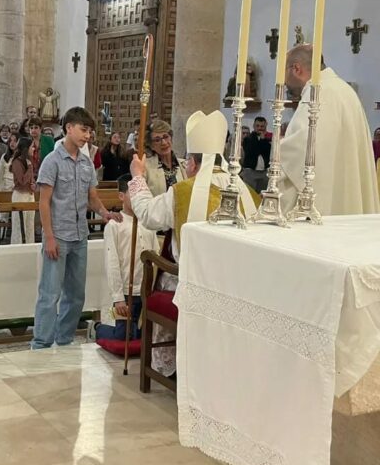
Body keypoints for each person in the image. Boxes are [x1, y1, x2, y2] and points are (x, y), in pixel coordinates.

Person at [128, 110, 258, 376]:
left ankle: (174, 367)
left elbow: (148, 214)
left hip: (189, 282)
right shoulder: (247, 193)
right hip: (236, 286)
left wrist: (137, 176)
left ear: (194, 164)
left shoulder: (184, 191)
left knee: (162, 277)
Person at [32, 107, 123, 349]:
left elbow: (91, 196)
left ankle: (64, 341)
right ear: (69, 128)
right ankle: (40, 344)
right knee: (50, 294)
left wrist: (105, 213)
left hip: (79, 235)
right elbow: (44, 202)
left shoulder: (86, 163)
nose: (87, 136)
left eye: (90, 132)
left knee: (76, 295)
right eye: (83, 130)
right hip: (58, 236)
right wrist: (48, 237)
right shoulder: (52, 161)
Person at [280, 45, 380, 215]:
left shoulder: (316, 94)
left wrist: (280, 146)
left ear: (296, 68)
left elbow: (301, 152)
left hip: (320, 209)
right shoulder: (344, 90)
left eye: (283, 74)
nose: (284, 83)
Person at [90, 174, 159, 342]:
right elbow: (112, 262)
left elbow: (155, 253)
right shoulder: (115, 225)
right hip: (127, 293)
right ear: (121, 196)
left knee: (143, 336)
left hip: (145, 289)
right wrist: (118, 298)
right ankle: (97, 328)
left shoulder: (147, 223)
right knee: (125, 337)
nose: (137, 198)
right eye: (132, 193)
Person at [143, 119, 187, 196]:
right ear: (151, 146)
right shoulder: (145, 167)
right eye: (157, 140)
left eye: (166, 137)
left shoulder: (185, 165)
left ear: (171, 138)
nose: (164, 142)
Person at [9, 137, 36, 244]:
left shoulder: (28, 161)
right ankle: (18, 249)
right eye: (31, 146)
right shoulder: (17, 162)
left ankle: (30, 247)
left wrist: (34, 185)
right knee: (19, 226)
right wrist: (30, 168)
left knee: (29, 225)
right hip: (20, 196)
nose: (33, 149)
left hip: (29, 195)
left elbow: (30, 180)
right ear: (26, 148)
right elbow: (22, 181)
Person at [241, 116, 271, 193]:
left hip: (264, 172)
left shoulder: (267, 140)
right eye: (257, 126)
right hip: (250, 171)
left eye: (262, 126)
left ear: (265, 126)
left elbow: (268, 153)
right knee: (249, 193)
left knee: (262, 195)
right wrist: (262, 140)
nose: (260, 128)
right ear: (253, 126)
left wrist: (263, 139)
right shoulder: (248, 139)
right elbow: (253, 151)